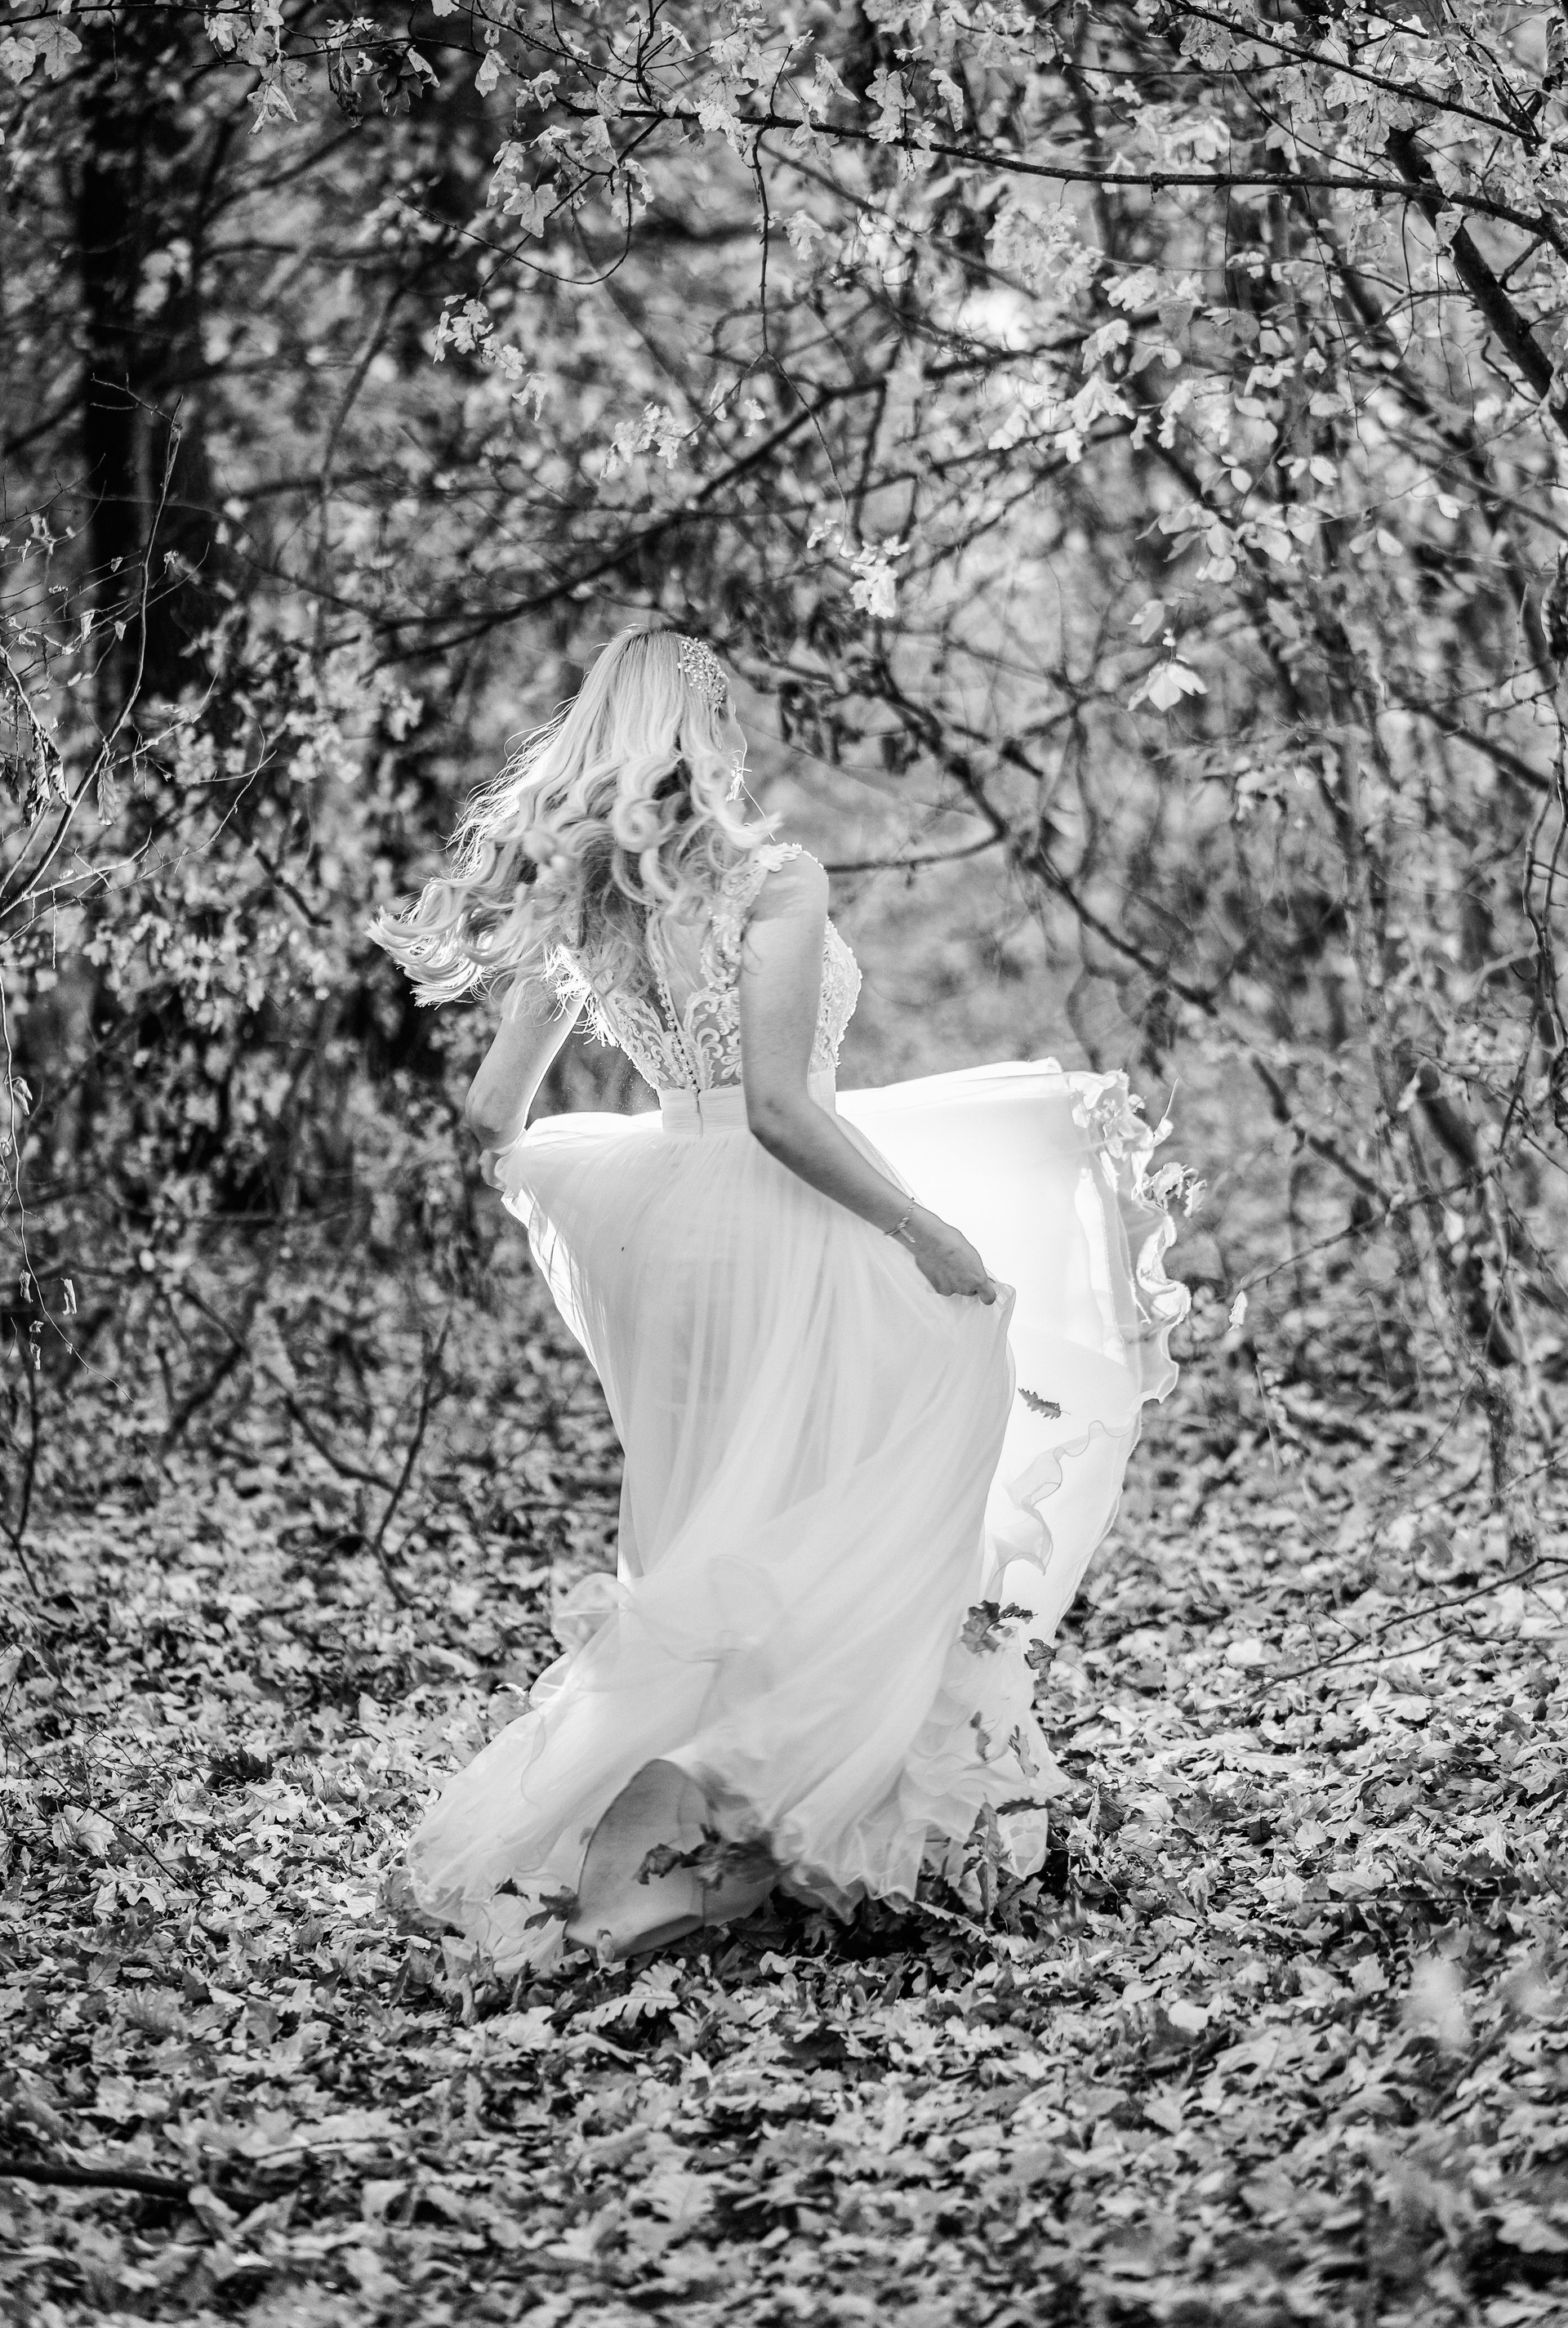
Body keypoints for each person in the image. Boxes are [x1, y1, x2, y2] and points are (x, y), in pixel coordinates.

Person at [370, 625, 1188, 1969]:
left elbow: (487, 1118)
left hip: (674, 1245)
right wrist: (925, 1229)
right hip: (787, 1224)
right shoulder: (773, 879)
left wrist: (586, 1192)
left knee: (724, 1516)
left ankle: (686, 1819)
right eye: (731, 714)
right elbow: (780, 1108)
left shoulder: (582, 897)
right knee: (887, 1452)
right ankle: (817, 1802)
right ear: (706, 729)